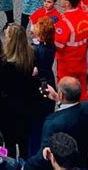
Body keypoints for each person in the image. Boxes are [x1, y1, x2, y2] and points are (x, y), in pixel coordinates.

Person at [24, 77, 88, 170]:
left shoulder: (53, 123)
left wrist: (27, 165)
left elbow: (45, 154)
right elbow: (73, 108)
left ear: (61, 95)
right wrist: (57, 98)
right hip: (81, 163)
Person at [3, 24, 36, 160]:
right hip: (26, 105)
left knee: (8, 143)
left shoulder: (7, 63)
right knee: (24, 141)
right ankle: (23, 162)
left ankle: (9, 162)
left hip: (9, 108)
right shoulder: (30, 55)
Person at [54, 0, 88, 101]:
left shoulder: (64, 23)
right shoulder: (87, 17)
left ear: (67, 3)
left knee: (66, 93)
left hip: (67, 64)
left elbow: (58, 46)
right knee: (82, 88)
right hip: (81, 60)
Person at [30, 17, 56, 156]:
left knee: (39, 122)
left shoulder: (39, 50)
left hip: (41, 84)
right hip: (48, 79)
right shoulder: (50, 45)